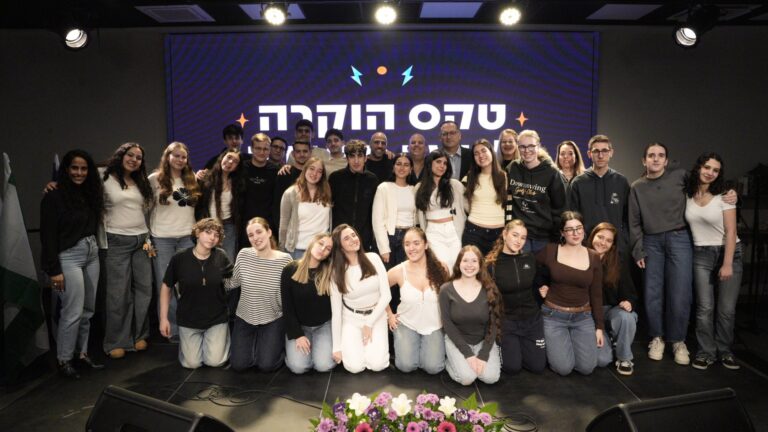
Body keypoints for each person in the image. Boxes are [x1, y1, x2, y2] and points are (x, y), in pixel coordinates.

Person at [40, 149, 105, 377]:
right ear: (66, 170)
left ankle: (82, 354)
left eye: (84, 168)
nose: (79, 172)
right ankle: (64, 359)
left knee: (88, 310)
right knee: (72, 311)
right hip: (68, 258)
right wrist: (54, 270)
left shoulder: (90, 193)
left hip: (92, 254)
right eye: (74, 168)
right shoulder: (53, 196)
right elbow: (47, 236)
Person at [685, 153, 742, 370]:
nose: (710, 173)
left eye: (715, 170)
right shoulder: (687, 193)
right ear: (699, 167)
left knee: (726, 309)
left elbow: (731, 231)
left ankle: (725, 351)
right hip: (701, 254)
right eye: (707, 167)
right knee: (704, 308)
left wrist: (727, 263)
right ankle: (706, 352)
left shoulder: (725, 196)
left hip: (729, 252)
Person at [101, 143, 154, 359]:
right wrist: (54, 184)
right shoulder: (104, 177)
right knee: (118, 294)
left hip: (142, 240)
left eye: (138, 157)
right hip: (116, 241)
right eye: (130, 155)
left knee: (144, 290)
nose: (134, 160)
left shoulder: (141, 181)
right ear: (121, 155)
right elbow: (77, 184)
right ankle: (116, 341)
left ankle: (139, 335)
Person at [159, 218, 233, 369]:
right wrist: (163, 318)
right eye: (208, 232)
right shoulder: (180, 258)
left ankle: (217, 341)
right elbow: (166, 287)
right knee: (192, 364)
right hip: (189, 319)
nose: (212, 238)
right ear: (198, 233)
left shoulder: (221, 256)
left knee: (215, 362)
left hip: (216, 318)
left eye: (216, 235)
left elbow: (234, 280)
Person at [537, 211, 604, 376]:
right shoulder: (551, 250)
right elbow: (529, 268)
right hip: (554, 316)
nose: (575, 233)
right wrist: (541, 285)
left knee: (587, 368)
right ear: (562, 233)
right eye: (569, 229)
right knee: (564, 369)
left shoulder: (593, 256)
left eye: (578, 228)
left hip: (582, 317)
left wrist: (599, 327)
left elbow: (596, 294)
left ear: (584, 229)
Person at [148, 141, 200, 341]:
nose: (180, 159)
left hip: (187, 238)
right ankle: (172, 330)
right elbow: (143, 206)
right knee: (166, 285)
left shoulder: (191, 178)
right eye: (176, 155)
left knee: (187, 284)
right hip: (162, 239)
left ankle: (188, 325)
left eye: (183, 156)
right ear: (167, 156)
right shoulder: (154, 179)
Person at [226, 217, 292, 372]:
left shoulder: (285, 260)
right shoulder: (244, 254)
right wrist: (210, 277)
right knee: (239, 365)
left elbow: (289, 292)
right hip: (245, 317)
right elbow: (233, 282)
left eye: (259, 232)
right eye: (251, 235)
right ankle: (257, 346)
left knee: (267, 365)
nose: (255, 238)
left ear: (269, 232)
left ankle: (272, 346)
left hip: (273, 317)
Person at [485, 220, 546, 374]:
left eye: (523, 238)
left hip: (532, 321)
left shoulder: (530, 258)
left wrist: (544, 288)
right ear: (505, 234)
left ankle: (522, 347)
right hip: (508, 322)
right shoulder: (492, 265)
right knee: (512, 367)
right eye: (515, 235)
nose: (519, 241)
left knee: (537, 366)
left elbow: (539, 282)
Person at [386, 227, 449, 374]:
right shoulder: (398, 271)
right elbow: (378, 290)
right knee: (405, 366)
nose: (411, 248)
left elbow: (448, 296)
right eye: (407, 244)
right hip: (407, 323)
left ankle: (424, 351)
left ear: (426, 245)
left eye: (416, 243)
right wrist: (389, 315)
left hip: (434, 325)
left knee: (433, 368)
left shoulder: (441, 268)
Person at [329, 224, 391, 373]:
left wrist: (369, 323)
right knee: (354, 367)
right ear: (340, 246)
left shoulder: (373, 258)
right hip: (351, 318)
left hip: (376, 316)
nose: (353, 239)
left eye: (354, 235)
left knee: (377, 365)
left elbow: (386, 295)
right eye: (346, 238)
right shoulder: (336, 272)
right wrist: (336, 347)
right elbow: (336, 312)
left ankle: (370, 350)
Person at [440, 245, 502, 385]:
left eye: (474, 261)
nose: (469, 265)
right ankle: (449, 361)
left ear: (480, 265)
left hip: (482, 341)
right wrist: (468, 354)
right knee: (467, 378)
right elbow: (447, 325)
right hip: (457, 340)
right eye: (465, 260)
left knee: (490, 378)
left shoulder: (490, 289)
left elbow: (493, 324)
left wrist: (483, 355)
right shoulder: (446, 290)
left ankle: (466, 364)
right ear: (459, 263)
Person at [281, 233, 336, 374]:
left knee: (324, 366)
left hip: (323, 326)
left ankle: (315, 354)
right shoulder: (290, 269)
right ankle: (304, 354)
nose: (323, 249)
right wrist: (298, 335)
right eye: (321, 243)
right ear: (312, 242)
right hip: (300, 327)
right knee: (298, 367)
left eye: (328, 248)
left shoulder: (330, 272)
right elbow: (287, 307)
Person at [505, 129, 567, 253]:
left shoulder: (552, 173)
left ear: (538, 146)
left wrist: (556, 236)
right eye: (522, 147)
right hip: (519, 236)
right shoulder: (512, 168)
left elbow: (560, 208)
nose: (527, 150)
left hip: (543, 238)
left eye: (531, 146)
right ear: (518, 148)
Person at [588, 223, 638, 376]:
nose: (603, 243)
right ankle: (611, 340)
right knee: (602, 360)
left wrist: (629, 302)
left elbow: (630, 293)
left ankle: (624, 358)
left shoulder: (617, 262)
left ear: (612, 245)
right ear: (592, 236)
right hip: (588, 314)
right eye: (600, 237)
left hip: (610, 310)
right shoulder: (580, 256)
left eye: (608, 240)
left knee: (626, 317)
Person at [569, 135, 630, 255]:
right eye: (596, 151)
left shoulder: (621, 182)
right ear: (589, 154)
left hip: (614, 247)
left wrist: (623, 241)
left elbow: (628, 217)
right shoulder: (578, 183)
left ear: (611, 153)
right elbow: (573, 217)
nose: (600, 155)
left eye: (605, 151)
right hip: (586, 247)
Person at [415, 149, 467, 267]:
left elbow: (468, 206)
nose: (442, 166)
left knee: (456, 265)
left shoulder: (455, 185)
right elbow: (416, 215)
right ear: (430, 164)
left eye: (445, 163)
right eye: (438, 162)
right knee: (441, 266)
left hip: (454, 230)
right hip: (433, 232)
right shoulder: (419, 187)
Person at [328, 140, 378, 252]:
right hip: (339, 236)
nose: (356, 161)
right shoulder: (335, 178)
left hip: (364, 238)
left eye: (360, 156)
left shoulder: (372, 179)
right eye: (352, 156)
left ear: (365, 158)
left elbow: (374, 210)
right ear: (347, 158)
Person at [279, 157, 333, 259]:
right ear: (305, 169)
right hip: (297, 251)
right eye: (311, 168)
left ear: (322, 175)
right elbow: (283, 225)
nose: (315, 173)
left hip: (321, 250)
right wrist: (281, 252)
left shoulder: (327, 192)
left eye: (319, 171)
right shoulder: (290, 193)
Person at [196, 149, 244, 261]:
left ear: (237, 167)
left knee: (228, 260)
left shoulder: (237, 182)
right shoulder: (206, 177)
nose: (230, 162)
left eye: (235, 161)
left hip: (228, 226)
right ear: (222, 157)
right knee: (206, 259)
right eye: (229, 157)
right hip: (208, 224)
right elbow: (199, 204)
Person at [462, 139, 507, 256]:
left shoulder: (505, 177)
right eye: (476, 153)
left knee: (496, 267)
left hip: (499, 234)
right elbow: (464, 203)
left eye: (483, 151)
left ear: (491, 152)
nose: (480, 155)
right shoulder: (469, 178)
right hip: (474, 232)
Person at [372, 153, 416, 268]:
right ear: (393, 167)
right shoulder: (384, 188)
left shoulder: (414, 189)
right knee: (389, 276)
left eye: (406, 165)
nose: (402, 168)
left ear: (411, 169)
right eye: (398, 164)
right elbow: (377, 220)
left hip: (409, 237)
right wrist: (384, 248)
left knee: (406, 274)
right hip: (390, 237)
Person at [242, 133, 278, 241]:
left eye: (265, 149)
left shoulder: (276, 171)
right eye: (258, 148)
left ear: (269, 150)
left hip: (268, 224)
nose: (262, 152)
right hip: (244, 224)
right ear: (252, 149)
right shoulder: (241, 168)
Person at [273, 140, 311, 239]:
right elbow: (277, 205)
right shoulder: (284, 174)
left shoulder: (315, 176)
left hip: (309, 228)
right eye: (298, 151)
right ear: (293, 154)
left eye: (305, 151)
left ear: (310, 153)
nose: (302, 154)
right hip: (289, 231)